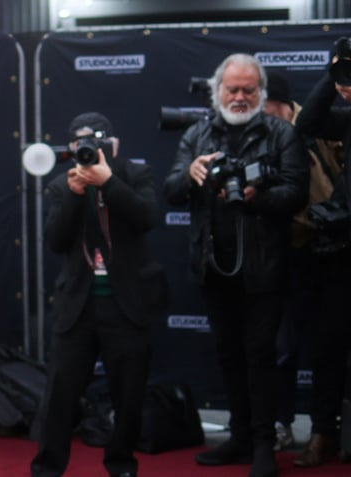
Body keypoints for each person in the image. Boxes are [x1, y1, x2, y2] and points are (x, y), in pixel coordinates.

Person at [163, 53, 308, 477]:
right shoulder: (197, 134)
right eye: (233, 89)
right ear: (217, 92)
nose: (240, 97)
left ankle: (264, 443)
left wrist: (256, 195)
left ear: (261, 94)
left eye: (248, 90)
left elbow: (297, 194)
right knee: (227, 355)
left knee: (260, 356)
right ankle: (241, 436)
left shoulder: (281, 133)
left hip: (265, 268)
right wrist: (190, 174)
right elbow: (171, 191)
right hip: (213, 266)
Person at [30, 112, 169, 477]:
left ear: (115, 145)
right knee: (60, 392)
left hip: (127, 303)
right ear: (72, 149)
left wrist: (108, 183)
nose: (90, 153)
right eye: (82, 146)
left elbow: (147, 217)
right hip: (78, 304)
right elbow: (56, 241)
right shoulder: (63, 184)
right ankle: (47, 468)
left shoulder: (135, 174)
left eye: (97, 144)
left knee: (129, 393)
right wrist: (77, 194)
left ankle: (122, 464)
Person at [263, 71, 345, 453]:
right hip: (287, 250)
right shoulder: (257, 132)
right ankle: (279, 423)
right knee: (282, 346)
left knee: (329, 346)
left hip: (333, 248)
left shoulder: (318, 123)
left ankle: (323, 430)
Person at [290, 37, 351, 468]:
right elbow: (308, 122)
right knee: (328, 346)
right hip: (341, 252)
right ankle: (323, 434)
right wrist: (336, 70)